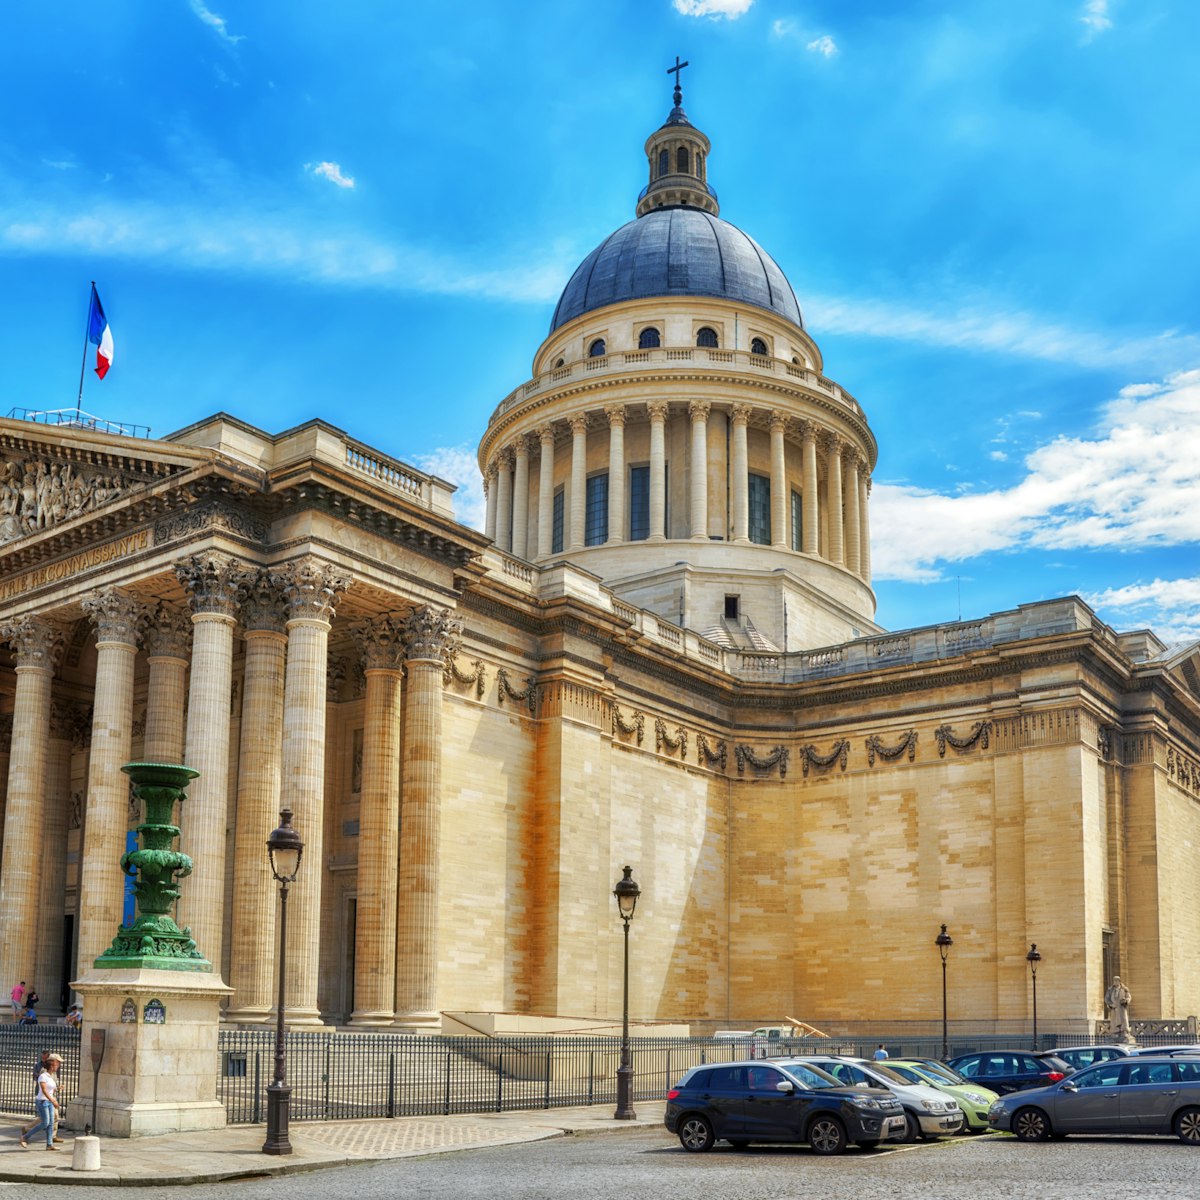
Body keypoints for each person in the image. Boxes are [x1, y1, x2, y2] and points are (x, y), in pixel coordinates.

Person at [18, 1052, 62, 1150]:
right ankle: (24, 1137)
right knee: (45, 1123)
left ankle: (49, 1144)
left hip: (49, 1102)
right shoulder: (43, 1076)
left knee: (50, 1123)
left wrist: (58, 1088)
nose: (58, 1067)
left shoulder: (51, 1077)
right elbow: (44, 1090)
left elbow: (51, 1089)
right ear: (51, 1066)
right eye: (56, 1065)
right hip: (42, 1102)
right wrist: (53, 1100)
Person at [1105, 976, 1133, 1040]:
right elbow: (1106, 999)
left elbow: (1129, 997)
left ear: (1119, 981)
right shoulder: (1110, 990)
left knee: (1124, 1021)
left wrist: (1125, 1000)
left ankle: (1124, 1032)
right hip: (1114, 1009)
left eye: (1117, 981)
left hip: (1121, 1008)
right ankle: (1115, 1033)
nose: (1115, 982)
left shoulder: (1124, 989)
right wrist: (1110, 1004)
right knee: (1114, 1022)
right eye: (1114, 981)